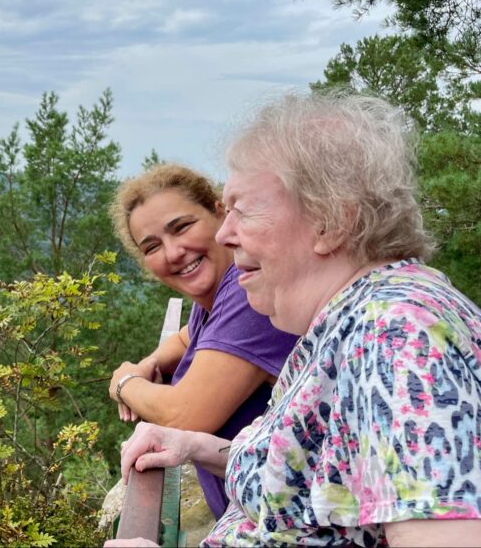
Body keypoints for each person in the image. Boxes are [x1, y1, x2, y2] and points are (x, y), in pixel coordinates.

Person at [116, 94, 481, 546]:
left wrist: (124, 383)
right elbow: (314, 478)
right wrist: (195, 447)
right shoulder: (342, 323)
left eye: (242, 211)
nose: (226, 234)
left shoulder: (397, 338)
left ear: (330, 221)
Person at [107, 163, 298, 518]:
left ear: (219, 213)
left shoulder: (247, 293)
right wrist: (149, 363)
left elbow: (184, 415)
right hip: (255, 518)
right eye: (152, 247)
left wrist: (124, 382)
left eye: (181, 227)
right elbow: (187, 337)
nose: (173, 252)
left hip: (280, 525)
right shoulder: (216, 294)